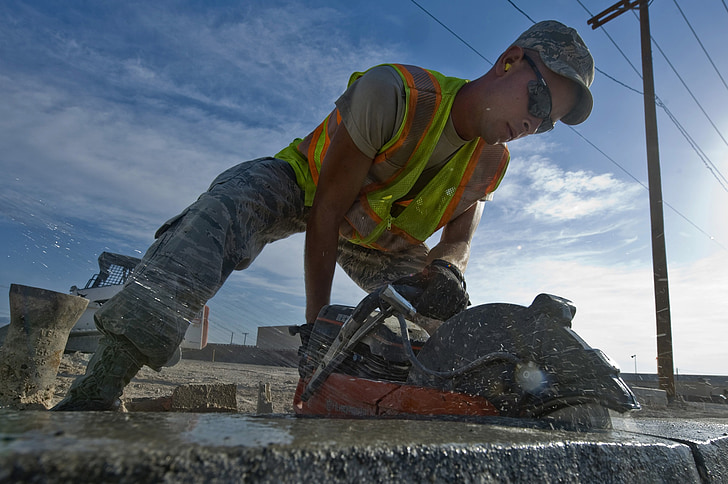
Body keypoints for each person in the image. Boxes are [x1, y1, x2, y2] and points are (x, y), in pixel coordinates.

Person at [53, 20, 595, 411]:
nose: (534, 125)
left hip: (379, 237)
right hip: (304, 189)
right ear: (508, 61)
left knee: (449, 320)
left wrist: (449, 268)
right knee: (222, 212)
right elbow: (328, 211)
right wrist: (316, 329)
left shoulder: (493, 160)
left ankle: (436, 405)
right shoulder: (396, 94)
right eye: (540, 104)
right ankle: (96, 389)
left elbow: (461, 234)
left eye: (548, 125)